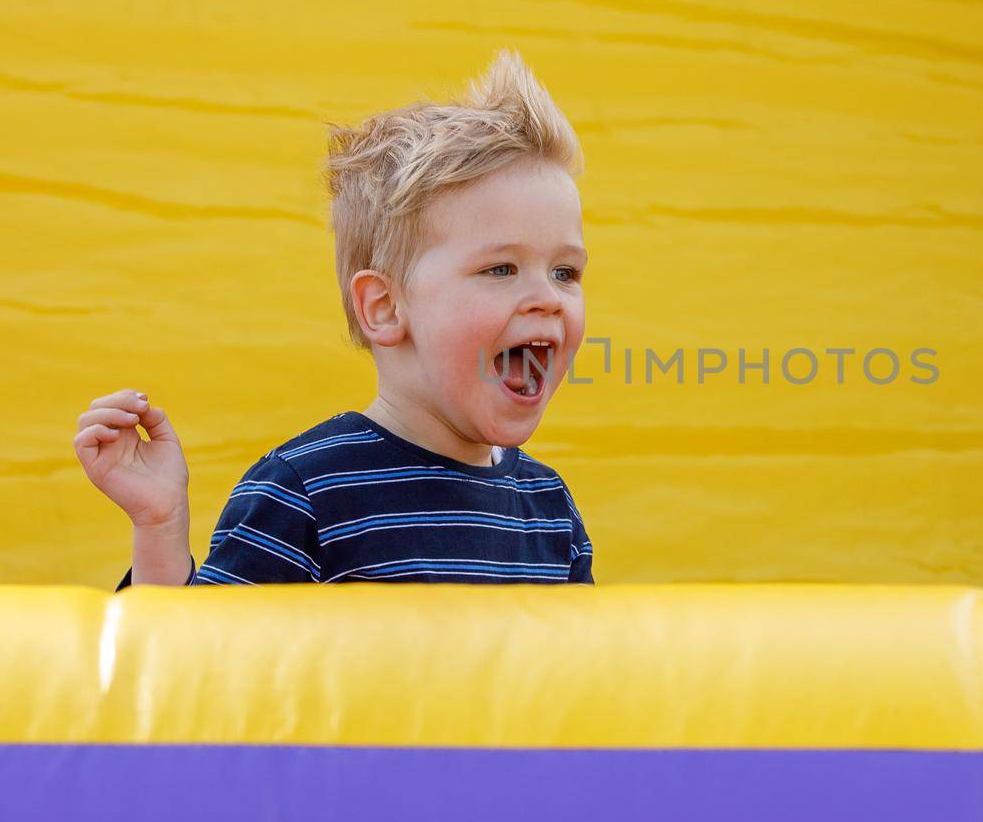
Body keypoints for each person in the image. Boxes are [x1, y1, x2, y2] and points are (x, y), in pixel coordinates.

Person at [72, 49, 594, 588]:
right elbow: (196, 665)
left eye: (565, 273)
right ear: (385, 308)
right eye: (501, 268)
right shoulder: (305, 493)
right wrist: (160, 526)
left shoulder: (550, 512)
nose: (548, 299)